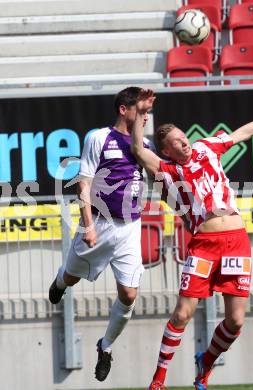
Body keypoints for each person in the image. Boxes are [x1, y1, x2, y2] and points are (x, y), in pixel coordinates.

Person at [130, 90, 253, 390]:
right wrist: (141, 114)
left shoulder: (208, 147)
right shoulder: (168, 171)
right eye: (176, 142)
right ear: (167, 151)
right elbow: (139, 151)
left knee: (235, 322)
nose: (184, 142)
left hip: (236, 239)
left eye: (184, 137)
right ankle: (158, 380)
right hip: (204, 245)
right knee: (183, 313)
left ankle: (205, 362)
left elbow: (241, 133)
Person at [48, 86, 152, 382]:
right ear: (123, 110)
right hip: (98, 223)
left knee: (129, 294)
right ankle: (60, 280)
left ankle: (105, 347)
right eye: (140, 110)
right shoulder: (98, 138)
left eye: (147, 112)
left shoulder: (144, 145)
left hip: (130, 227)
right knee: (71, 276)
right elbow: (84, 184)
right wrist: (89, 226)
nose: (144, 116)